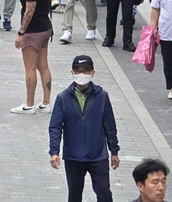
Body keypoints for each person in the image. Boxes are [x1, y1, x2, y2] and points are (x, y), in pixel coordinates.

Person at [48, 54, 121, 202]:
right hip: (73, 156)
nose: (82, 74)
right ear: (72, 72)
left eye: (86, 70)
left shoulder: (102, 96)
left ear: (93, 72)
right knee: (74, 196)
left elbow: (110, 126)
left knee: (105, 194)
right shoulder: (63, 98)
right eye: (78, 70)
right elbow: (55, 127)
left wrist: (114, 151)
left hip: (97, 156)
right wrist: (54, 151)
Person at [12, 0, 53, 115]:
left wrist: (21, 33)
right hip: (46, 28)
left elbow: (29, 11)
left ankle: (29, 104)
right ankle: (46, 103)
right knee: (43, 66)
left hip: (33, 31)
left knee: (30, 67)